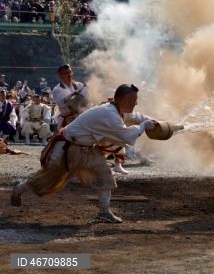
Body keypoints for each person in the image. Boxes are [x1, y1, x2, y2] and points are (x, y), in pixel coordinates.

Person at [10, 84, 157, 223]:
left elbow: (134, 117)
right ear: (124, 100)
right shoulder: (110, 114)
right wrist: (144, 126)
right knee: (47, 179)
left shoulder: (114, 109)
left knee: (105, 175)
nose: (136, 103)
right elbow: (126, 135)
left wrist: (153, 121)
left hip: (85, 149)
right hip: (68, 148)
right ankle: (19, 189)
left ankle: (104, 212)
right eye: (134, 100)